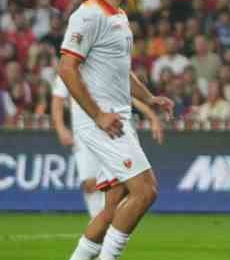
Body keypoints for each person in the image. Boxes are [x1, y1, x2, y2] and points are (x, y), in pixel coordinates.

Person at [49, 0, 174, 260]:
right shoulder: (87, 16)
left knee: (112, 206)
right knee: (146, 189)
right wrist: (98, 114)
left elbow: (120, 72)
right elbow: (66, 69)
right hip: (103, 123)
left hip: (120, 119)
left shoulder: (117, 16)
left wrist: (150, 98)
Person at [52, 71, 165, 220]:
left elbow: (127, 94)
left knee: (119, 184)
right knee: (89, 184)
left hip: (112, 131)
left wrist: (151, 116)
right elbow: (58, 99)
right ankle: (100, 223)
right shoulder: (69, 68)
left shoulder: (104, 64)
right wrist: (60, 128)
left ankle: (108, 226)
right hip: (84, 133)